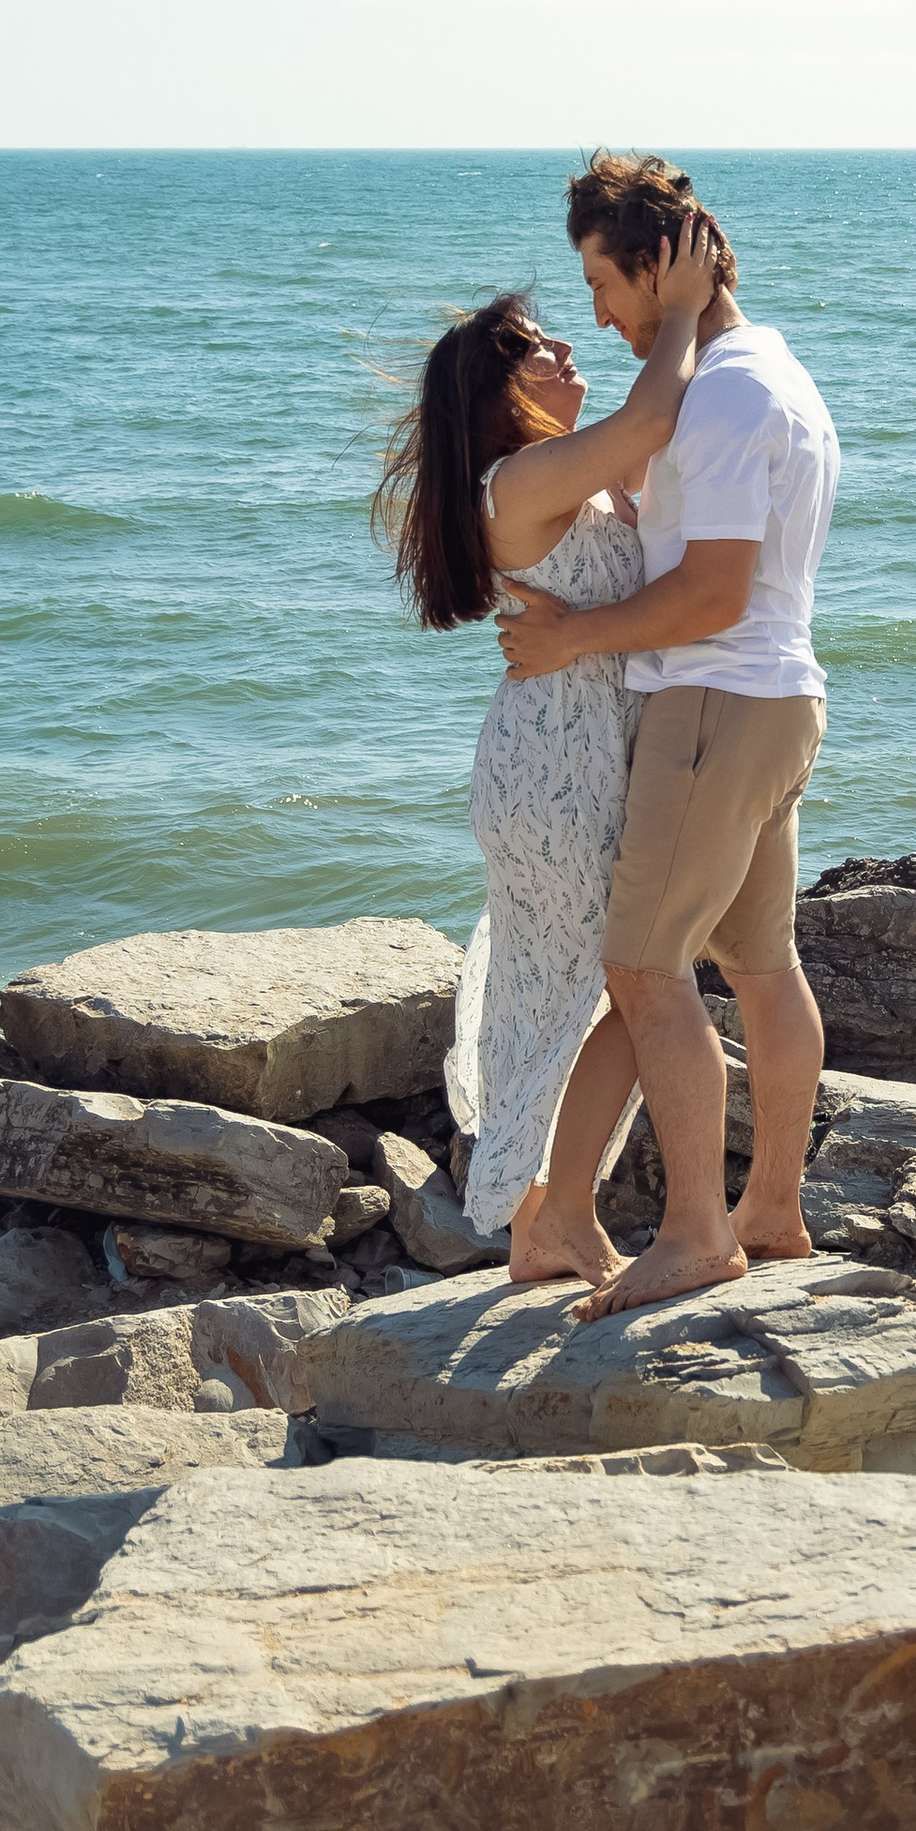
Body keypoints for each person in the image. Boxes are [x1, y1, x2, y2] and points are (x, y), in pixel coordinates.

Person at [494, 152, 840, 1315]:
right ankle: (773, 1208)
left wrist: (573, 637)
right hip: (779, 700)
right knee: (756, 961)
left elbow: (710, 596)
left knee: (641, 967)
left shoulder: (731, 393)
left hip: (712, 702)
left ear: (657, 265)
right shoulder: (770, 371)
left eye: (602, 282)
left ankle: (696, 1232)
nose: (595, 312)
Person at [371, 218, 720, 1283]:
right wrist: (688, 306)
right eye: (536, 345)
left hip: (573, 764)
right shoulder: (522, 487)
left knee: (580, 992)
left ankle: (548, 1219)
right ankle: (548, 1214)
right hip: (554, 776)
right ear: (498, 391)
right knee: (605, 987)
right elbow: (656, 409)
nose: (565, 349)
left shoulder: (568, 478)